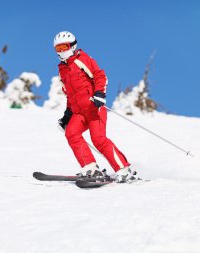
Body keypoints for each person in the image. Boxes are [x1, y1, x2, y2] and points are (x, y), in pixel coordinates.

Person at [53, 31, 139, 183]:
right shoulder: (62, 70)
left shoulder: (82, 59)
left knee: (98, 139)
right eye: (58, 49)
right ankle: (91, 168)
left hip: (94, 108)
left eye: (64, 47)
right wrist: (67, 115)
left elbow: (100, 75)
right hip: (79, 112)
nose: (62, 51)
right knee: (72, 133)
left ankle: (124, 170)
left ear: (73, 46)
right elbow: (70, 94)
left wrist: (99, 93)